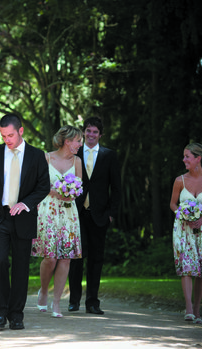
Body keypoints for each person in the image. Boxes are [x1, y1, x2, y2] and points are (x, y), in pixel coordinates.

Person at [0, 113, 50, 330]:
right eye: (3, 136)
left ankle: (16, 315)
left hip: (24, 218)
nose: (7, 140)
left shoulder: (37, 155)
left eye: (10, 135)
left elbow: (43, 186)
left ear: (20, 131)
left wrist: (26, 203)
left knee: (20, 267)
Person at [68, 116, 121, 315]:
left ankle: (92, 302)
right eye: (88, 131)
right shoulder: (76, 153)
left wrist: (111, 214)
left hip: (100, 215)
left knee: (96, 259)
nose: (91, 135)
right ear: (84, 132)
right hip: (77, 213)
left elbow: (116, 188)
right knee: (76, 258)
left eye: (95, 132)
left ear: (100, 134)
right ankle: (74, 301)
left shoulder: (109, 155)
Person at [32, 125, 84, 318]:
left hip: (69, 213)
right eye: (78, 140)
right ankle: (44, 290)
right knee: (50, 257)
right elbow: (38, 184)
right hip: (48, 210)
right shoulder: (46, 157)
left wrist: (72, 192)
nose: (80, 144)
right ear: (67, 141)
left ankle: (56, 303)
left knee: (66, 257)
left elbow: (79, 186)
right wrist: (55, 191)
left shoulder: (77, 161)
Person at [169, 143, 202, 324]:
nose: (184, 160)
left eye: (187, 156)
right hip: (183, 229)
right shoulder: (179, 181)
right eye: (184, 156)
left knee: (201, 271)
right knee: (187, 267)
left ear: (198, 159)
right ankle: (189, 308)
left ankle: (197, 309)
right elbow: (173, 204)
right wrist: (183, 215)